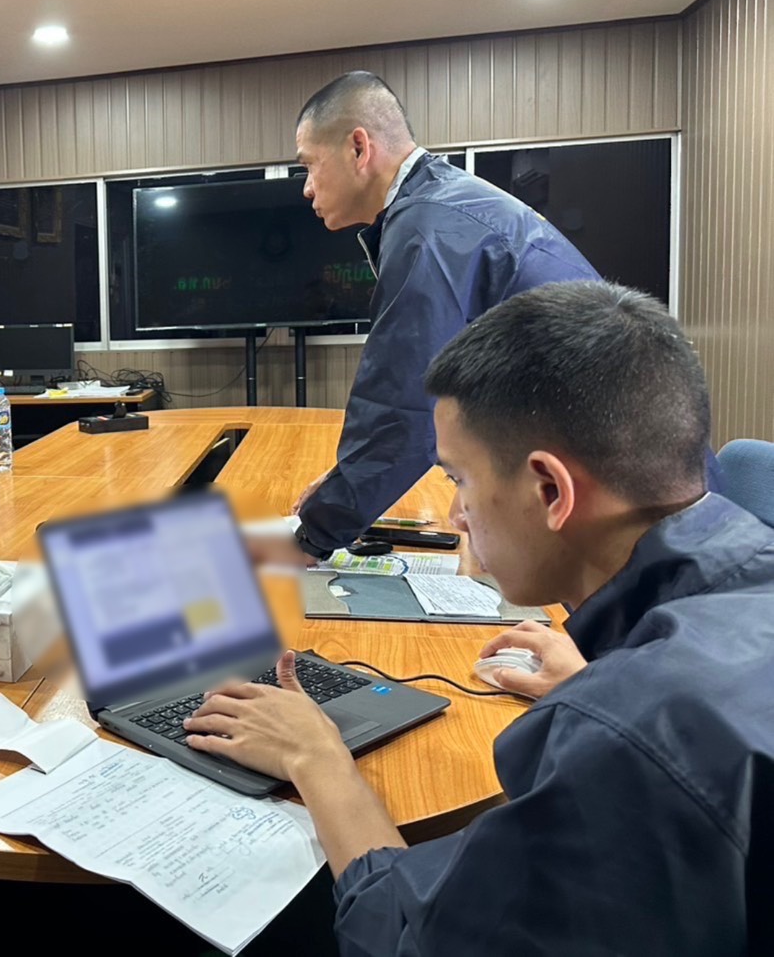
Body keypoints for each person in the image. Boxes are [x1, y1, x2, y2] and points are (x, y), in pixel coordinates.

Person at [184, 281, 772, 954]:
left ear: (549, 490)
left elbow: (407, 938)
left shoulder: (620, 740)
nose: (456, 516)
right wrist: (601, 679)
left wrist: (313, 755)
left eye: (460, 480)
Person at [261, 71, 600, 566]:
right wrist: (342, 488)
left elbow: (402, 409)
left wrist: (311, 536)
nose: (307, 189)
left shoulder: (427, 230)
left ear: (358, 148)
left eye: (309, 166)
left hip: (606, 491)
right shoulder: (440, 205)